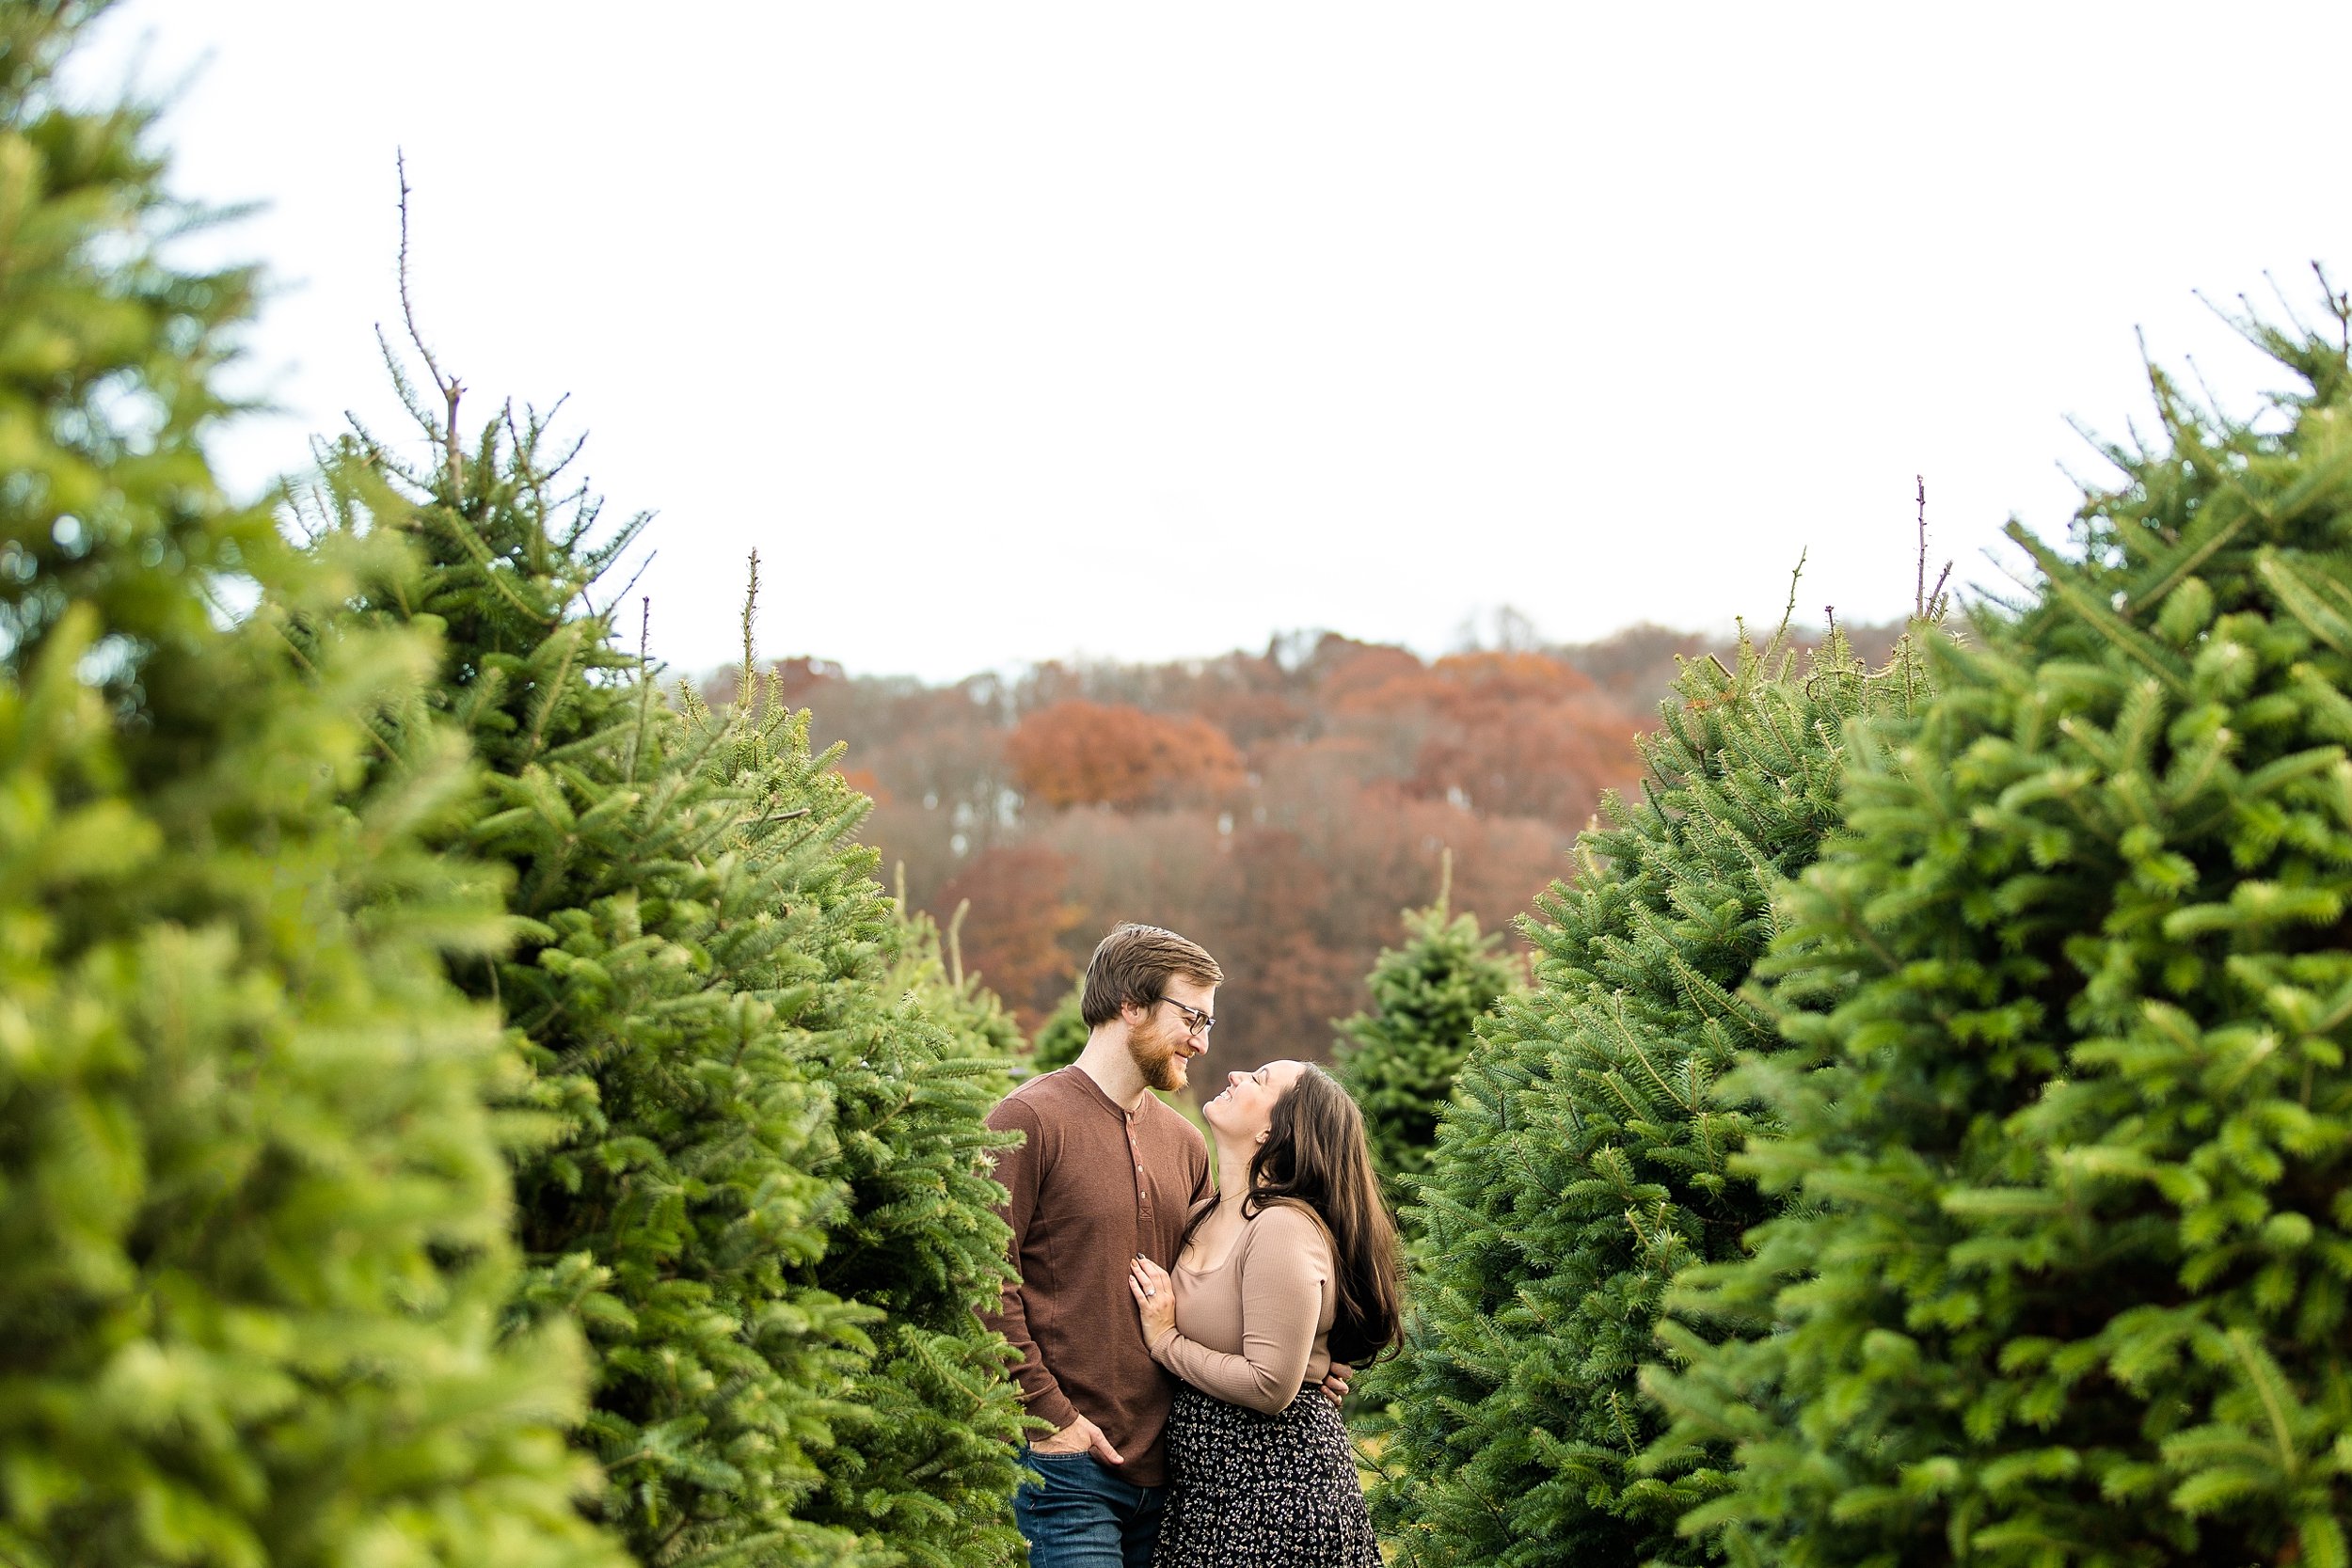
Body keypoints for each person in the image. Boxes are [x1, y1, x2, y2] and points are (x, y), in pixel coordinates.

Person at [980, 925, 1348, 1567]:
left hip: (1177, 1480)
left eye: (1209, 1021)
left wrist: (1313, 1359)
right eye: (1192, 1016)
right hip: (1072, 1468)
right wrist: (1048, 1415)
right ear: (1130, 1002)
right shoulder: (1027, 1120)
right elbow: (983, 1279)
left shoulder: (1183, 1143)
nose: (1203, 1041)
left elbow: (1221, 1287)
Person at [1127, 1060, 1400, 1566]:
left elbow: (1270, 1386)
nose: (1235, 1075)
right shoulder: (1200, 1215)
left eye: (1259, 1079)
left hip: (1280, 1496)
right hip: (1205, 1500)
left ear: (1276, 1130)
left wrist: (1166, 1342)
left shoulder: (1281, 1227)